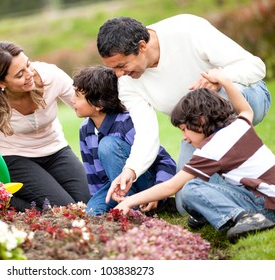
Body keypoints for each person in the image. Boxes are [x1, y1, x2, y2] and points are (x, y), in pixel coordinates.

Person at [97, 14, 271, 216]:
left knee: (215, 99)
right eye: (113, 69)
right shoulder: (127, 83)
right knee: (185, 204)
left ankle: (257, 195)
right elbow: (146, 133)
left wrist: (221, 79)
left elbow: (255, 66)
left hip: (245, 98)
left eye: (122, 65)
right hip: (197, 130)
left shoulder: (187, 29)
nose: (119, 74)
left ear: (142, 46)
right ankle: (249, 198)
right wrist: (131, 170)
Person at [108, 68, 275, 243]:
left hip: (266, 206)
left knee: (191, 189)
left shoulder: (214, 147)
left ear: (201, 120)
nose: (184, 138)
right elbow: (246, 110)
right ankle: (207, 214)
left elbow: (172, 186)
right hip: (264, 195)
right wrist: (225, 81)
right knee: (202, 185)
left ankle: (247, 219)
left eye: (184, 129)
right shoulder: (238, 125)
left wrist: (128, 201)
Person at [0, 41, 91, 211]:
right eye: (20, 74)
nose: (29, 74)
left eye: (28, 65)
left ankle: (23, 202)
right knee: (65, 209)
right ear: (1, 83)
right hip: (14, 157)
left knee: (87, 205)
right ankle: (4, 199)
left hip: (56, 150)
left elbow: (84, 104)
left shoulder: (50, 76)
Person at [71, 65, 176, 215]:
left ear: (99, 104)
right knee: (91, 214)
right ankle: (126, 209)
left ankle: (135, 210)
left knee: (108, 145)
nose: (72, 100)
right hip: (113, 189)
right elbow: (93, 176)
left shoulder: (126, 123)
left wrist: (157, 193)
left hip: (146, 186)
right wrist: (96, 202)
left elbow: (166, 162)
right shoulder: (85, 130)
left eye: (77, 96)